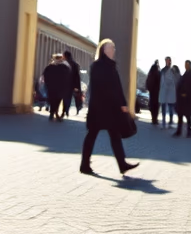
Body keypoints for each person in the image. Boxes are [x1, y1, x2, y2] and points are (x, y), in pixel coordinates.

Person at [79, 39, 139, 176]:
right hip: (100, 108)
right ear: (103, 50)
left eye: (113, 47)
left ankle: (122, 164)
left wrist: (122, 103)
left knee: (115, 135)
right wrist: (119, 103)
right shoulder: (97, 66)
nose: (113, 50)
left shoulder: (111, 66)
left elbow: (117, 88)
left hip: (110, 108)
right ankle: (84, 164)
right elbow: (104, 87)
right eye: (110, 47)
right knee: (92, 134)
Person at [42, 53, 72, 121]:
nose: (59, 60)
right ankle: (54, 113)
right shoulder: (62, 67)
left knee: (55, 100)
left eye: (59, 59)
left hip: (56, 87)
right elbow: (68, 77)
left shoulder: (52, 67)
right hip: (56, 87)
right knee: (55, 100)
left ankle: (53, 113)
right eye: (58, 59)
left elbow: (45, 76)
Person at [174, 59, 191, 138]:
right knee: (180, 115)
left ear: (190, 65)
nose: (186, 66)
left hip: (188, 99)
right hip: (181, 99)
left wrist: (187, 93)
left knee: (188, 115)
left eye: (187, 65)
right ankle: (179, 131)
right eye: (185, 65)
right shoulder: (184, 75)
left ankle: (189, 132)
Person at [158, 57, 179, 129]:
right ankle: (163, 122)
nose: (168, 62)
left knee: (170, 107)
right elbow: (160, 80)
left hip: (171, 91)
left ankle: (170, 122)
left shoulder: (173, 71)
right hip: (164, 90)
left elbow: (176, 79)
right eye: (167, 61)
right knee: (164, 107)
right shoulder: (163, 70)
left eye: (169, 61)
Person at [61, 50, 82, 119]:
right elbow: (77, 76)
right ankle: (66, 110)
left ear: (65, 56)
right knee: (69, 98)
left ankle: (65, 111)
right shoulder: (75, 64)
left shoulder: (64, 63)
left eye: (63, 55)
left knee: (65, 98)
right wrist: (77, 86)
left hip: (64, 84)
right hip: (72, 84)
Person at [145, 60, 162, 126]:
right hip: (157, 92)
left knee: (152, 105)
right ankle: (155, 119)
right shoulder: (158, 73)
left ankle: (153, 119)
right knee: (156, 106)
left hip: (152, 92)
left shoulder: (151, 73)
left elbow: (148, 82)